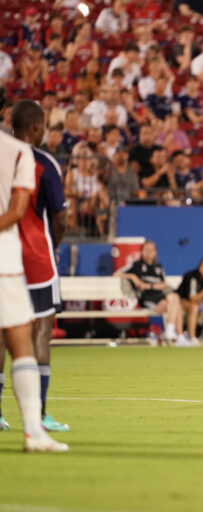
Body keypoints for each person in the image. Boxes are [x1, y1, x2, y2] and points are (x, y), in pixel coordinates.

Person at [2, 100, 69, 432]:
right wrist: (52, 247)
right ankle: (39, 414)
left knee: (2, 334)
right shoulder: (41, 161)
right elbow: (61, 217)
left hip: (4, 254)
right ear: (38, 127)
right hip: (37, 257)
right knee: (41, 332)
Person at [115, 240, 187, 345]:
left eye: (152, 250)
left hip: (160, 298)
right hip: (147, 299)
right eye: (147, 250)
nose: (149, 253)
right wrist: (132, 276)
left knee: (176, 302)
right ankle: (174, 333)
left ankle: (178, 336)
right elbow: (116, 274)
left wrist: (148, 285)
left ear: (155, 252)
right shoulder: (136, 265)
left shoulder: (158, 267)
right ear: (142, 252)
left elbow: (163, 284)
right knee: (175, 300)